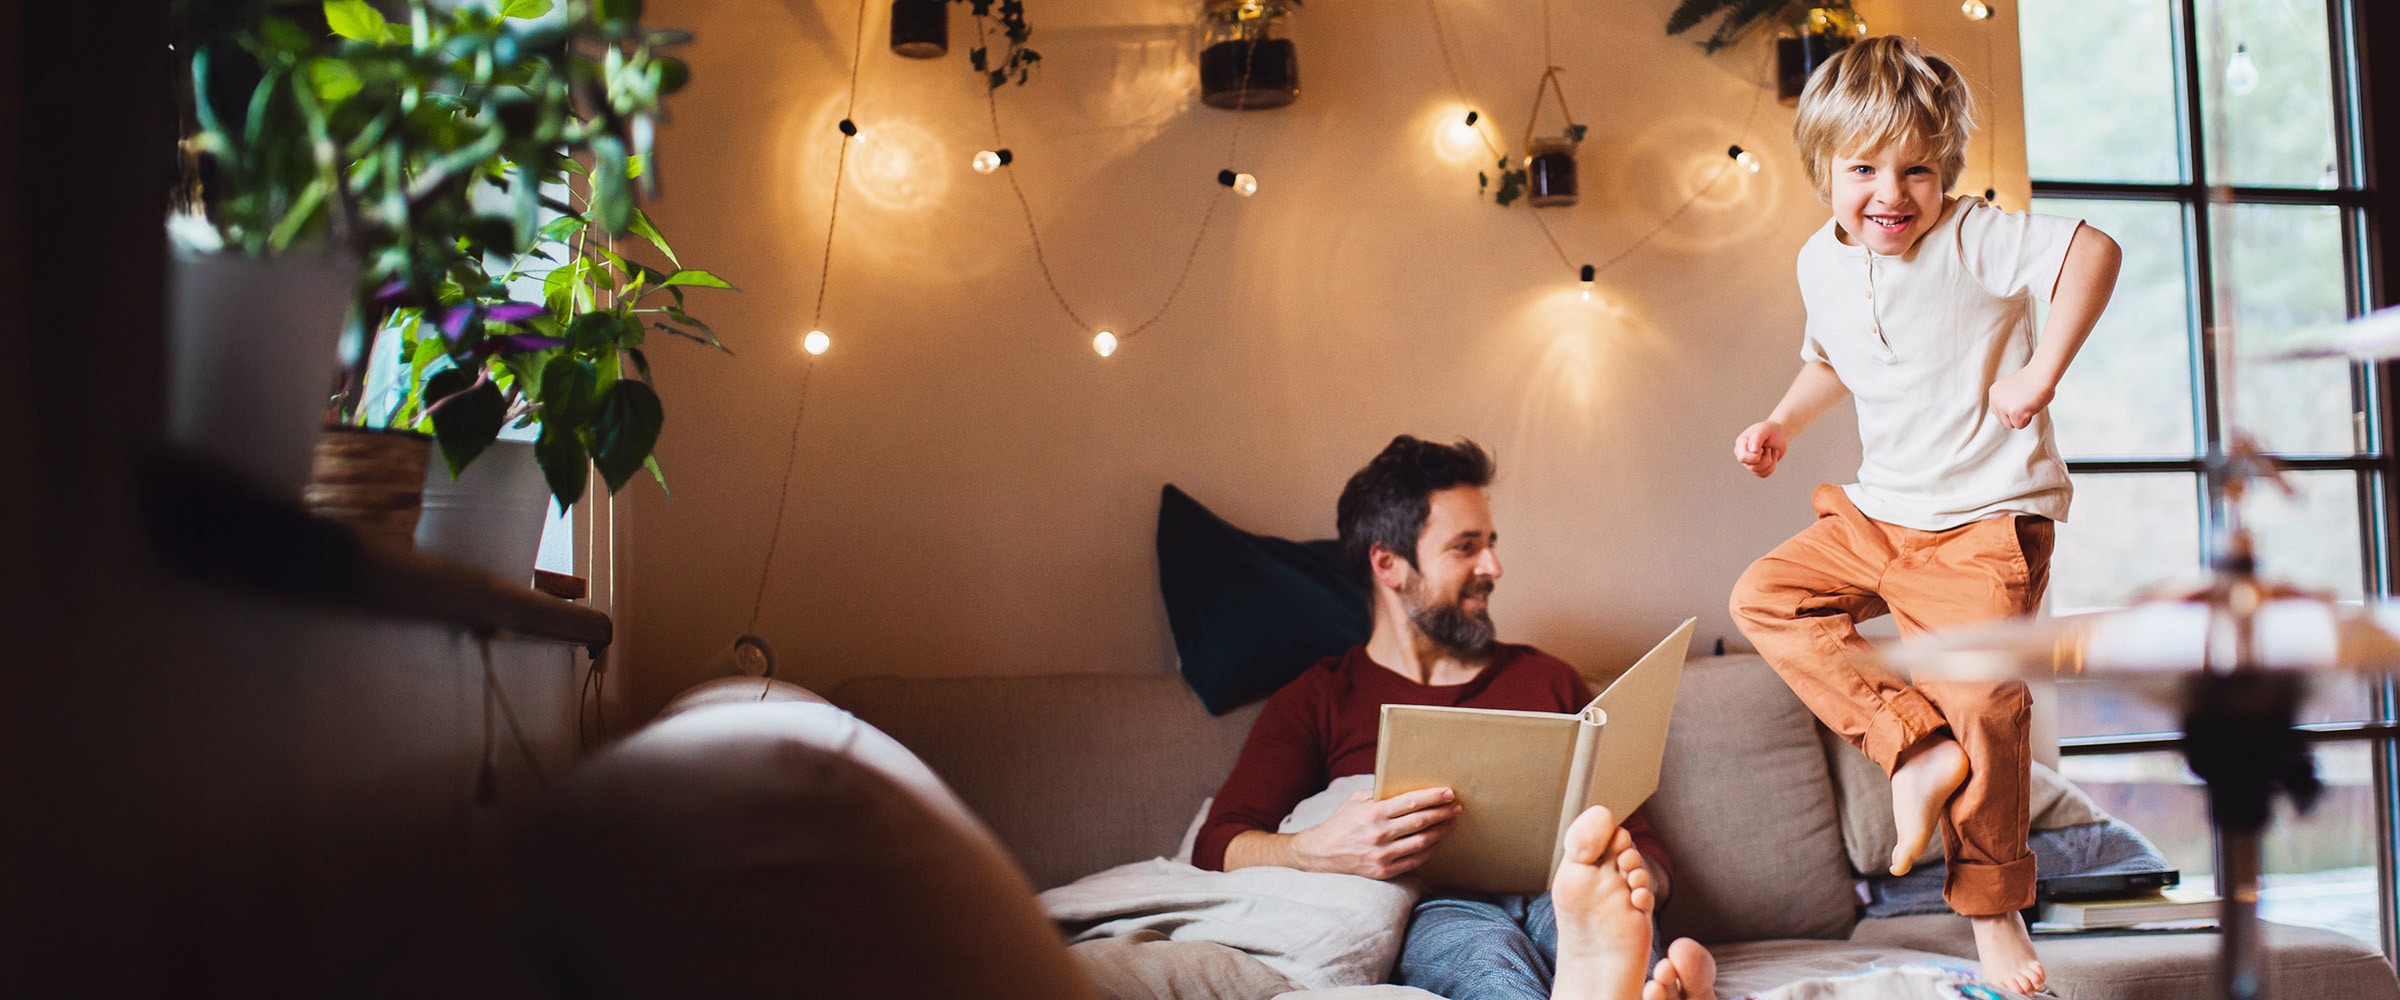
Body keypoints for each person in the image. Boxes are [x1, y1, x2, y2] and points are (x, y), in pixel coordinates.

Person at [1726, 36, 2122, 996]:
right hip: (1881, 512)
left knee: (1986, 703)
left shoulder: (1974, 236)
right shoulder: (1821, 259)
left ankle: (1993, 914)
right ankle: (1915, 749)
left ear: (1947, 172)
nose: (1889, 194)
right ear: (1822, 169)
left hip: (1985, 522)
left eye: (1918, 169)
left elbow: (2093, 252)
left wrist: (2040, 371)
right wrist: (1782, 418)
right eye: (1862, 169)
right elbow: (1832, 358)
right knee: (1766, 597)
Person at [1193, 434, 1715, 1000]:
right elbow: (1216, 843)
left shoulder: (1547, 678)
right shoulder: (1320, 698)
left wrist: (1633, 876)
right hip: (1434, 901)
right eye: (1466, 547)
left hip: (1563, 888)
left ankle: (1615, 969)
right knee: (1480, 957)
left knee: (1591, 918)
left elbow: (1643, 845)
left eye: (1489, 543)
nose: (1493, 565)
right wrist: (1316, 849)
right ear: (1389, 564)